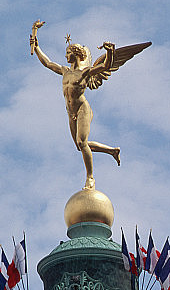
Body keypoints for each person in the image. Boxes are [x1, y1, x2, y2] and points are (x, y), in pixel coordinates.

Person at [30, 24, 120, 188]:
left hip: (82, 109)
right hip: (70, 112)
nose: (66, 56)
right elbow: (47, 63)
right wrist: (36, 47)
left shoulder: (85, 72)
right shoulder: (64, 71)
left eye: (68, 53)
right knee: (80, 145)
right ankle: (112, 151)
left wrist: (110, 52)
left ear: (76, 54)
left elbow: (105, 66)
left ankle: (90, 178)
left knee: (82, 142)